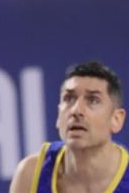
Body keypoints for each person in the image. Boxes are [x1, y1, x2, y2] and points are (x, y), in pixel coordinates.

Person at [10, 61, 128, 193]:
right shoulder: (31, 175)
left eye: (93, 100)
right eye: (69, 98)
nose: (76, 110)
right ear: (58, 116)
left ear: (116, 119)